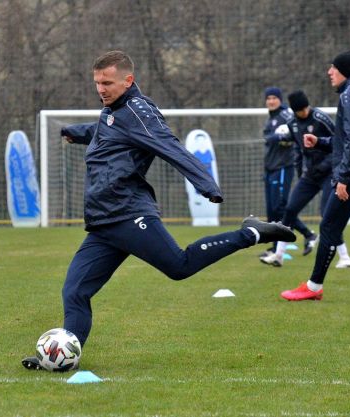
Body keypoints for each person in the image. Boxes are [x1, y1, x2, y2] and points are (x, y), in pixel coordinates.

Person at [21, 51, 296, 369]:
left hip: (128, 213)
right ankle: (62, 356)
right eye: (97, 83)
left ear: (128, 80)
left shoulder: (139, 111)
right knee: (75, 290)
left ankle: (251, 233)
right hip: (104, 224)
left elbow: (169, 145)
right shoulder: (112, 110)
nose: (101, 89)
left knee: (179, 266)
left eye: (107, 82)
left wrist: (205, 183)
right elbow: (106, 131)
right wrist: (76, 132)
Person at [280, 51, 350, 301]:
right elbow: (348, 139)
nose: (329, 72)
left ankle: (314, 287)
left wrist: (342, 177)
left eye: (333, 68)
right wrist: (319, 141)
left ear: (344, 71)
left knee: (329, 226)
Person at [260, 90, 350, 268]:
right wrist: (299, 170)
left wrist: (328, 166)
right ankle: (278, 255)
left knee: (327, 214)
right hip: (309, 175)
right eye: (300, 110)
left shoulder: (320, 118)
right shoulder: (292, 123)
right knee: (290, 209)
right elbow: (297, 148)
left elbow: (338, 143)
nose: (304, 112)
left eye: (305, 109)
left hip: (328, 173)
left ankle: (345, 256)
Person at [260, 87, 313, 259]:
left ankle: (307, 234)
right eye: (269, 98)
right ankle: (276, 247)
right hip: (270, 168)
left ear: (280, 100)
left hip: (283, 167)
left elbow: (296, 134)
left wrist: (284, 138)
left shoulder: (286, 116)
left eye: (274, 98)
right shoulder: (272, 118)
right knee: (272, 211)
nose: (271, 101)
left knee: (280, 207)